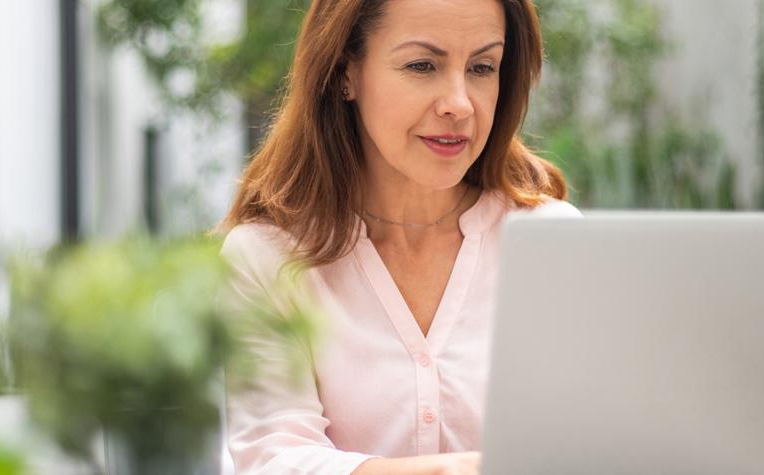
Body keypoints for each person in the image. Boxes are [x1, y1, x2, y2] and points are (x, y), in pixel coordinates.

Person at [217, 0, 579, 473]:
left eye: (482, 67)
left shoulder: (553, 245)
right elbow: (274, 459)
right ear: (345, 72)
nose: (460, 103)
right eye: (422, 65)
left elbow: (587, 440)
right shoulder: (267, 257)